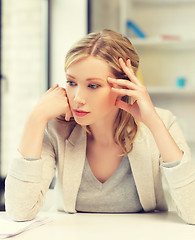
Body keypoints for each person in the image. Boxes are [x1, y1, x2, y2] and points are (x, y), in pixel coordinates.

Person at [4, 29, 195, 224]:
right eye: (71, 82)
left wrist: (154, 124)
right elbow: (19, 211)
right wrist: (35, 119)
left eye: (93, 86)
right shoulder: (57, 129)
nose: (77, 98)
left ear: (124, 86)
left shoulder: (162, 122)